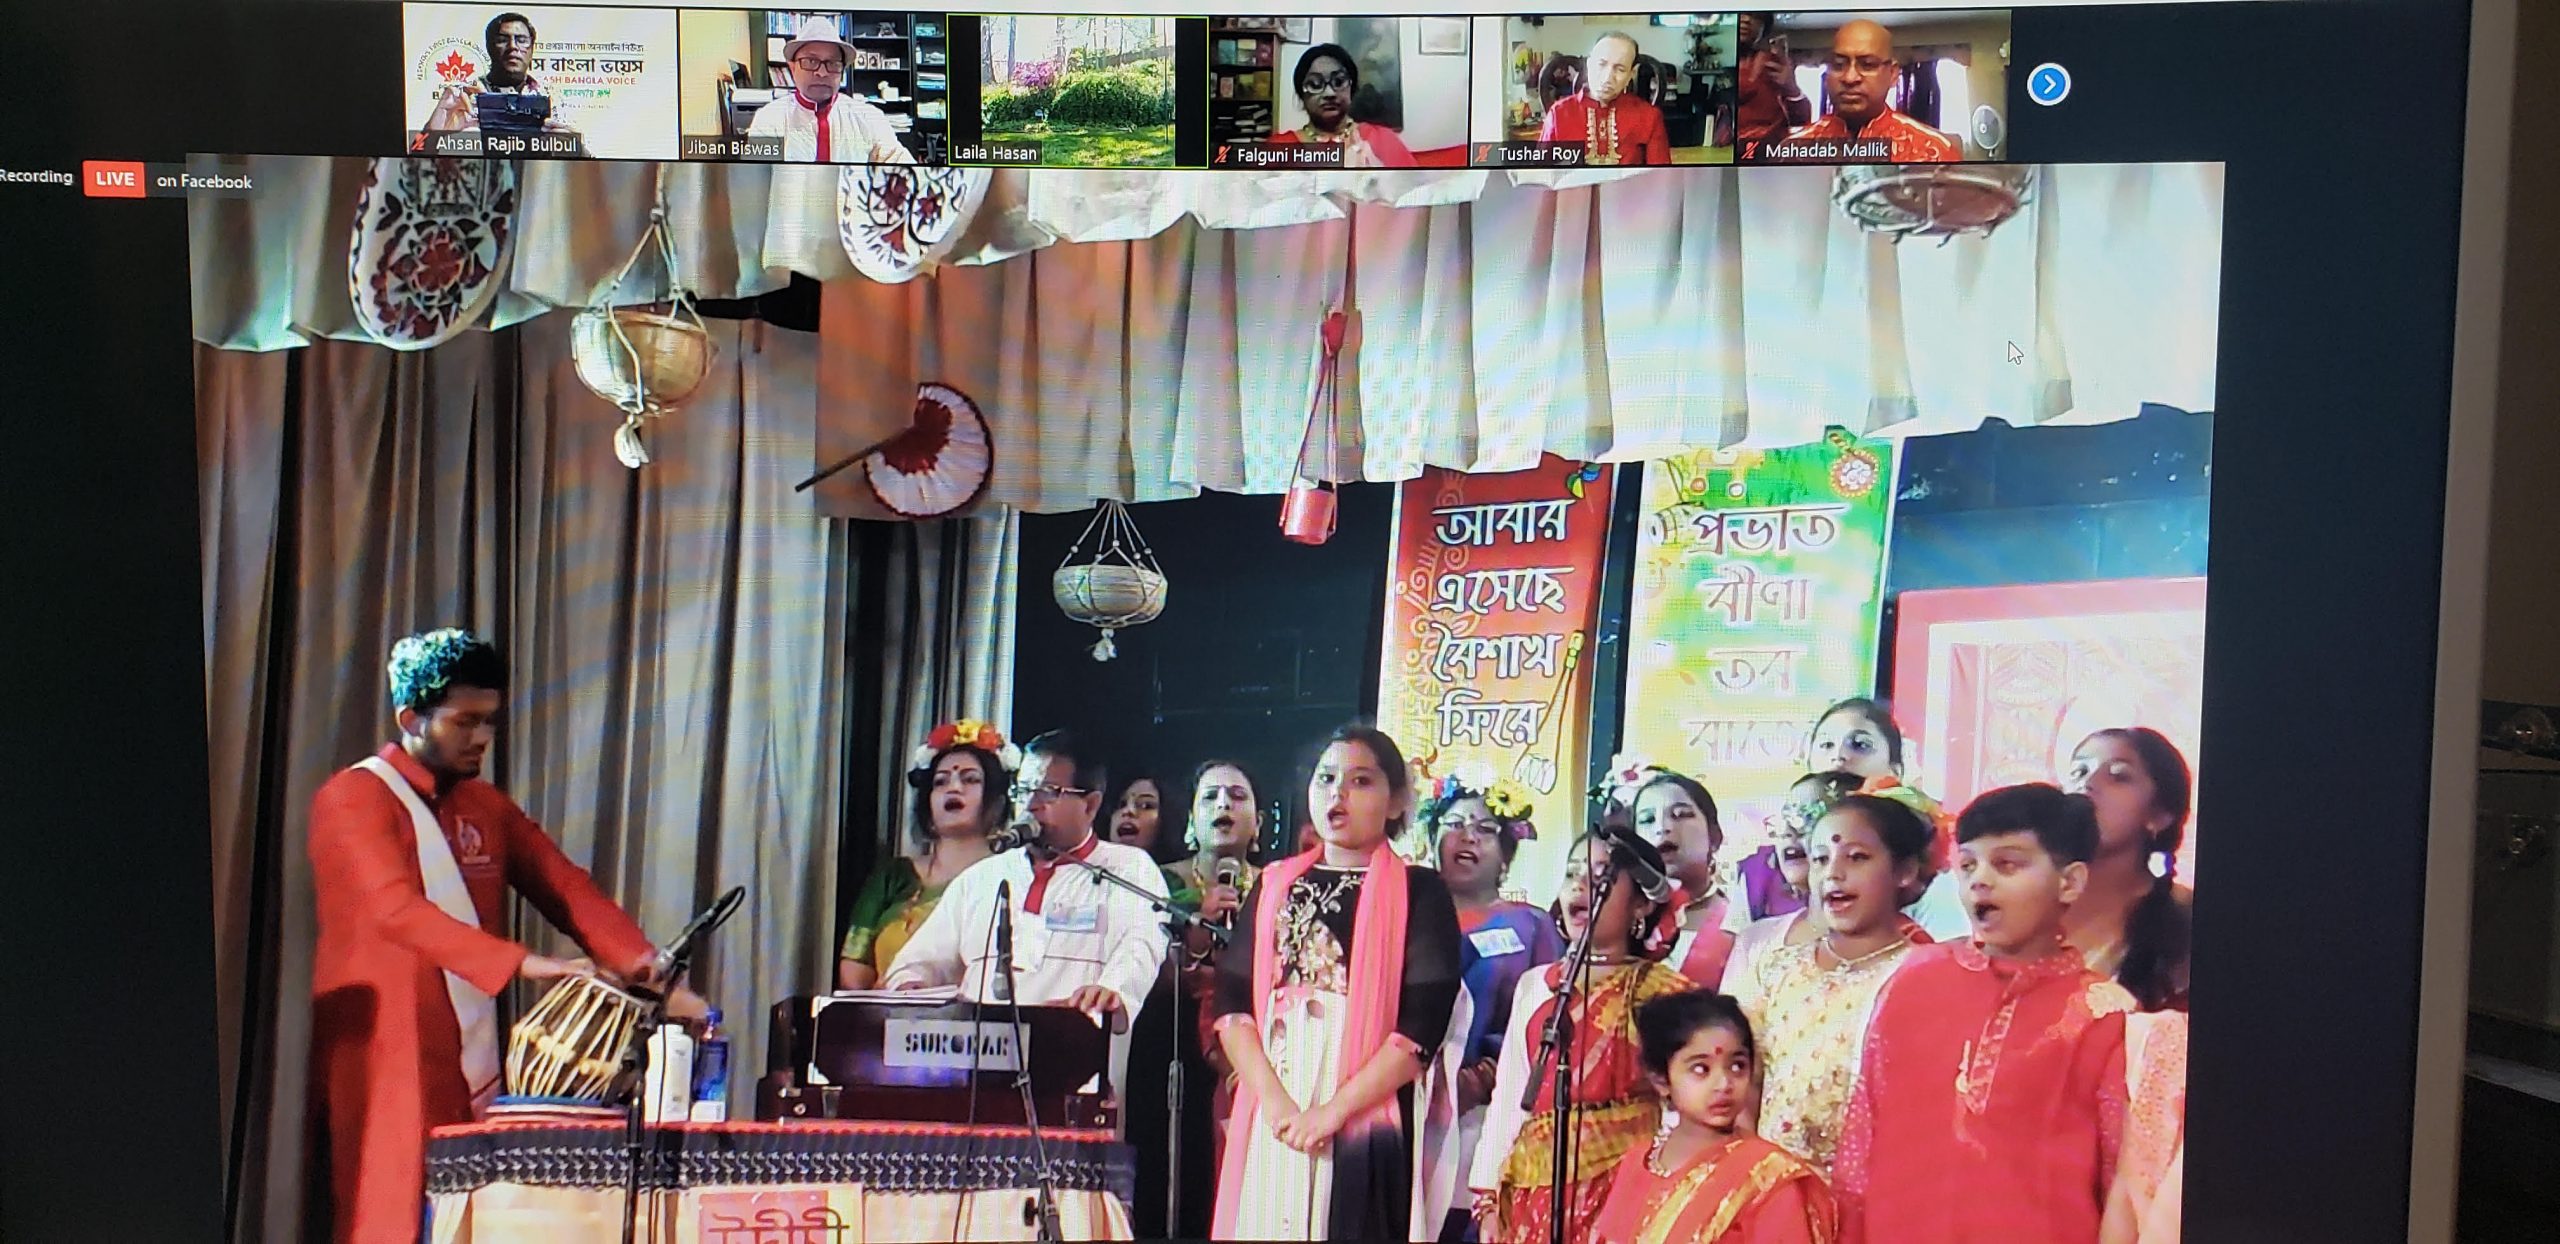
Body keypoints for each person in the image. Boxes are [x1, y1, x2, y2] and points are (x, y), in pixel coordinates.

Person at [307, 629, 700, 1244]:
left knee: (473, 1214)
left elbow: (566, 889)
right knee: (388, 1215)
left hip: (466, 1043)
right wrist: (526, 965)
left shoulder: (485, 807)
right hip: (388, 1047)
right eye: (465, 722)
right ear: (411, 719)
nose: (482, 737)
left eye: (489, 721)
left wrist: (651, 970)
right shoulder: (353, 798)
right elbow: (392, 910)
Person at [1833, 784, 2135, 1244]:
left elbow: (2122, 1183)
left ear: (2070, 882)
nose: (1980, 880)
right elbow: (1861, 1136)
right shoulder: (1913, 977)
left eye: (2007, 864)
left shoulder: (2105, 1014)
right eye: (1968, 865)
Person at [1211, 726, 1465, 1241]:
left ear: (1397, 802)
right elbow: (1233, 1008)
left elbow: (1420, 1030)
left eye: (1361, 781)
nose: (1338, 793)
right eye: (1326, 778)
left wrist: (1333, 1113)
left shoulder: (1420, 891)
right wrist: (1277, 1104)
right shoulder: (1274, 883)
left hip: (1364, 1104)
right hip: (1276, 1095)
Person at [1469, 834, 1693, 1244]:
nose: (1580, 885)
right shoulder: (1536, 985)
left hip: (1628, 1190)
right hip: (1533, 1188)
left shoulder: (1665, 993)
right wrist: (1488, 1196)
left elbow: (1684, 1107)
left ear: (1641, 905)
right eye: (1572, 873)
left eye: (1600, 877)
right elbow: (1511, 1097)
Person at [882, 731, 1171, 1031]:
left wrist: (1110, 991)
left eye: (1048, 791)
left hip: (1071, 1044)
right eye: (1023, 790)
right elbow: (917, 963)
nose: (1031, 804)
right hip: (977, 1051)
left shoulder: (1126, 868)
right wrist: (911, 984)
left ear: (1090, 805)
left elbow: (1141, 945)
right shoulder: (982, 876)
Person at [1725, 793, 1934, 1177]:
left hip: (1878, 1187)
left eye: (1857, 857)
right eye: (1820, 859)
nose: (1833, 873)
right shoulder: (1781, 968)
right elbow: (1746, 1077)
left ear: (1904, 870)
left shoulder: (1923, 976)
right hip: (1777, 1187)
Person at [1422, 777, 1564, 1239]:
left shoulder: (1532, 925)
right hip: (1406, 1100)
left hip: (1485, 1111)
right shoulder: (1403, 915)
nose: (1467, 837)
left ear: (1506, 856)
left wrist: (1482, 1077)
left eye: (1484, 829)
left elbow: (1548, 1021)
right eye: (1455, 824)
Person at [1591, 992, 1836, 1244]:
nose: (1724, 1084)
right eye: (1701, 1069)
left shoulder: (1766, 1178)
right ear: (1661, 1080)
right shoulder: (1634, 1163)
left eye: (1737, 1066)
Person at [836, 719, 1016, 990]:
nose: (953, 788)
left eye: (970, 779)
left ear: (997, 804)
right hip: (888, 1011)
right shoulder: (894, 877)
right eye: (940, 782)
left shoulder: (1009, 880)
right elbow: (854, 968)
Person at [1808, 698, 1968, 940]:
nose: (1838, 756)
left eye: (1860, 745)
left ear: (1895, 770)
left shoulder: (1923, 856)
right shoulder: (1780, 858)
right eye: (1826, 745)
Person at [2061, 728, 2195, 1012]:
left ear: (2159, 816)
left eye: (2118, 776)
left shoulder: (2187, 919)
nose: (2087, 783)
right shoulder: (2024, 903)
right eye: (2079, 772)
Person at [1778, 19, 1960, 163]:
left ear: (1893, 74)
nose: (1850, 78)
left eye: (1867, 65)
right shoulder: (1794, 149)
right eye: (1839, 65)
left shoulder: (1934, 150)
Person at [746, 16, 915, 164]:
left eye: (833, 63)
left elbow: (905, 170)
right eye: (811, 61)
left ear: (842, 70)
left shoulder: (869, 117)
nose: (822, 72)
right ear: (793, 68)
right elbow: (755, 182)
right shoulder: (769, 119)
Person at [1631, 771, 1734, 985]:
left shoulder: (1738, 922)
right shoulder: (1621, 919)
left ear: (1715, 837)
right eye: (1647, 820)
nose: (1662, 828)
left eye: (1680, 814)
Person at [423, 12, 571, 136]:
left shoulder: (553, 98)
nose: (513, 46)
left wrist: (575, 149)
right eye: (502, 40)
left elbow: (578, 151)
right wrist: (433, 135)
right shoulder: (463, 99)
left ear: (532, 48)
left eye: (521, 40)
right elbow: (418, 153)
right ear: (489, 47)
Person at [1271, 43, 1418, 167]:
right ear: (1301, 94)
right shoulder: (1278, 149)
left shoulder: (1383, 139)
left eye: (1339, 82)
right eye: (1315, 84)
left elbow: (1415, 189)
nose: (1329, 93)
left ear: (1351, 89)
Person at [1537, 32, 1672, 166]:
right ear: (1589, 64)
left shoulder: (1649, 116)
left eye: (1620, 69)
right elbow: (1539, 171)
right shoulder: (1559, 113)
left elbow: (1661, 174)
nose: (1607, 78)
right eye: (1601, 64)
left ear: (1631, 74)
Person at [1734, 13, 1813, 157]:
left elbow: (1802, 121)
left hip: (1769, 155)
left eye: (1756, 17)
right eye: (1742, 13)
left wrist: (1791, 88)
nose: (1746, 20)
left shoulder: (1774, 63)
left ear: (1763, 28)